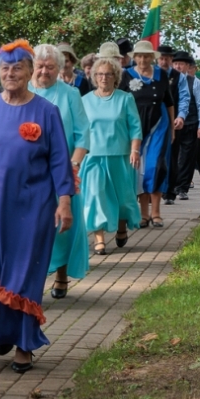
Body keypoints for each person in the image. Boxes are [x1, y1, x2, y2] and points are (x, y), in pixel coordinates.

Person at [0, 41, 74, 373]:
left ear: (29, 72)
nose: (11, 74)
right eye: (5, 68)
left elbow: (59, 160)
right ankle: (2, 330)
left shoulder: (46, 111)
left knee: (24, 274)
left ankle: (23, 344)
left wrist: (64, 201)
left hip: (33, 206)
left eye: (18, 68)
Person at [31, 45, 89, 299]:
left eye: (50, 67)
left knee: (60, 226)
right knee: (30, 228)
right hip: (28, 174)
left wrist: (73, 166)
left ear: (60, 68)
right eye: (40, 66)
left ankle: (61, 275)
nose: (44, 71)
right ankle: (30, 279)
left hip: (61, 172)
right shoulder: (22, 92)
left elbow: (83, 136)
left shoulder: (70, 94)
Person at [80, 57, 144, 254]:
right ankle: (99, 238)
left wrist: (135, 150)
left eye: (108, 74)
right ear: (94, 77)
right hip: (93, 157)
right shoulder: (85, 100)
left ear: (115, 76)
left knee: (122, 198)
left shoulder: (125, 98)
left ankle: (122, 226)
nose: (103, 77)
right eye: (99, 74)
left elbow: (135, 127)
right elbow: (81, 130)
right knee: (96, 195)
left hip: (121, 155)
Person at [121, 40, 175, 228]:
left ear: (152, 57)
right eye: (139, 56)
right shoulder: (126, 75)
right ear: (134, 57)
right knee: (139, 170)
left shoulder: (161, 74)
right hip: (134, 128)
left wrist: (173, 129)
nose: (143, 59)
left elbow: (169, 102)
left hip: (159, 126)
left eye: (146, 56)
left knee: (156, 166)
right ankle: (143, 214)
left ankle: (156, 212)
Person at [165, 51, 200, 201]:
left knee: (187, 157)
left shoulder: (195, 82)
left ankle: (182, 187)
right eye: (176, 63)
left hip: (191, 123)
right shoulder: (167, 80)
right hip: (172, 124)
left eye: (182, 64)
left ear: (187, 66)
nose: (178, 66)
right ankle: (170, 187)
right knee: (172, 157)